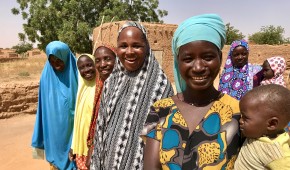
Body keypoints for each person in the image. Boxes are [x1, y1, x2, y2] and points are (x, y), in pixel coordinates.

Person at [142, 14, 241, 170]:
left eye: (208, 57)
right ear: (177, 62)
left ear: (220, 58)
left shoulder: (238, 112)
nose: (198, 67)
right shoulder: (161, 110)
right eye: (188, 59)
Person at [90, 21, 173, 170]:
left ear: (146, 47)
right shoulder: (111, 82)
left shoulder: (160, 87)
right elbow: (101, 129)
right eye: (123, 46)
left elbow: (162, 142)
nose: (129, 52)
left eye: (136, 46)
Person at [31, 41, 78, 170]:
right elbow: (42, 107)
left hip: (75, 129)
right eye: (52, 60)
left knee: (76, 161)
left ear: (66, 57)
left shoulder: (78, 74)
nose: (55, 64)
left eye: (59, 60)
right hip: (54, 130)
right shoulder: (46, 77)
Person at [234, 84, 290, 170]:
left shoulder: (276, 153)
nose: (240, 121)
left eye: (245, 118)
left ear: (272, 124)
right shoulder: (257, 133)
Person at [85, 44, 116, 168]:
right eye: (97, 61)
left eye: (107, 59)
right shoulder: (99, 86)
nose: (102, 64)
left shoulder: (124, 88)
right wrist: (92, 150)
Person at [70, 54, 96, 170]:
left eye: (89, 65)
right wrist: (73, 146)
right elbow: (78, 122)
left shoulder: (101, 88)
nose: (86, 70)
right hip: (81, 148)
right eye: (81, 67)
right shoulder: (81, 90)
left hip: (95, 149)